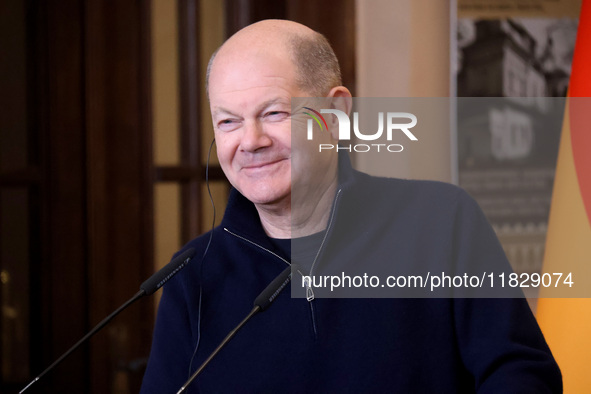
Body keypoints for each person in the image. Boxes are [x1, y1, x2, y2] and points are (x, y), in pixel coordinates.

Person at [141, 20, 561, 393]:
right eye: (228, 121)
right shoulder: (192, 274)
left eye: (273, 112)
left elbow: (522, 373)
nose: (250, 141)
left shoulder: (441, 221)